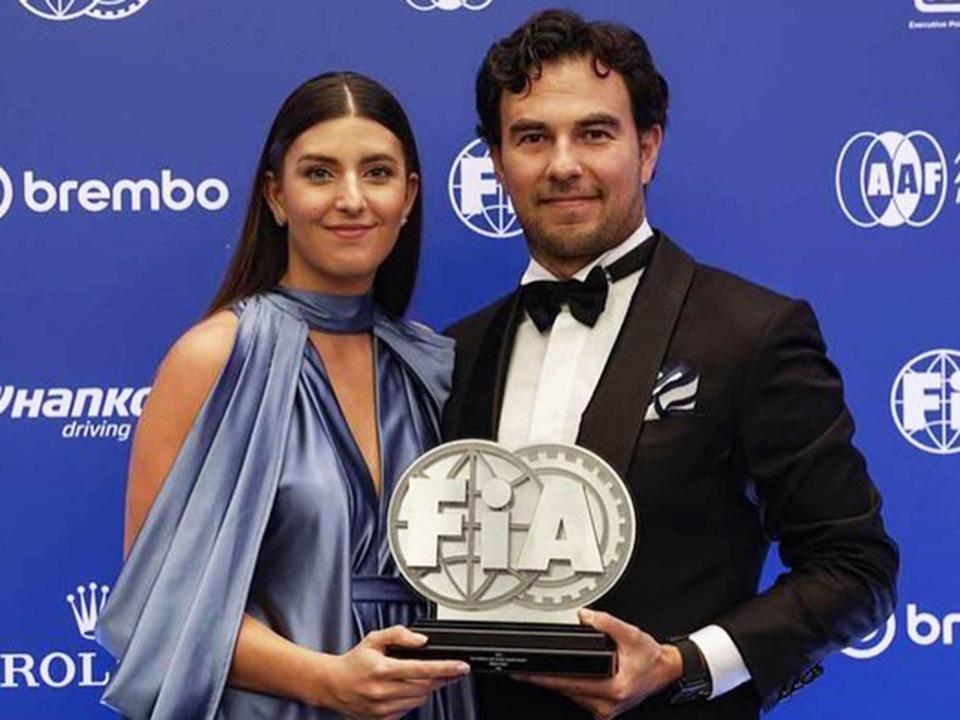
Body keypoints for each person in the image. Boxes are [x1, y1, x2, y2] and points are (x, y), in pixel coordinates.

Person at [442, 10, 898, 720]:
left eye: (595, 132)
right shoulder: (458, 350)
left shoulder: (753, 333)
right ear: (498, 163)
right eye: (532, 137)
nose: (563, 164)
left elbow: (856, 570)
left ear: (647, 149)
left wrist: (681, 665)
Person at [96, 72, 475, 720]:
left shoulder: (431, 365)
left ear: (408, 197)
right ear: (276, 195)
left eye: (377, 173)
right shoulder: (216, 357)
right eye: (320, 174)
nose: (352, 199)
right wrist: (328, 681)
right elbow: (156, 605)